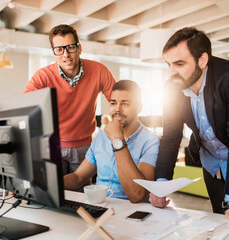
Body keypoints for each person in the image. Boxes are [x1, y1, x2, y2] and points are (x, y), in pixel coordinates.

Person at [149, 27, 229, 240]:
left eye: (179, 64)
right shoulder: (172, 87)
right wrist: (161, 184)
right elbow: (170, 137)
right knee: (223, 227)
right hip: (213, 163)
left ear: (202, 60)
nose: (171, 73)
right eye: (168, 64)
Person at [23, 24, 116, 175]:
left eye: (70, 47)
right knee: (54, 194)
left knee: (79, 195)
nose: (65, 54)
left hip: (84, 147)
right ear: (53, 53)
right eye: (59, 49)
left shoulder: (99, 71)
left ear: (79, 48)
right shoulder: (42, 76)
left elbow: (117, 101)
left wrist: (117, 131)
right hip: (52, 146)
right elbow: (24, 108)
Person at [64, 80, 159, 202]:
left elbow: (137, 193)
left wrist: (117, 140)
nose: (117, 109)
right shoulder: (101, 137)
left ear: (139, 107)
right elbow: (78, 177)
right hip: (100, 205)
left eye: (125, 104)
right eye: (113, 103)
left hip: (131, 211)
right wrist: (47, 185)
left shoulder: (151, 142)